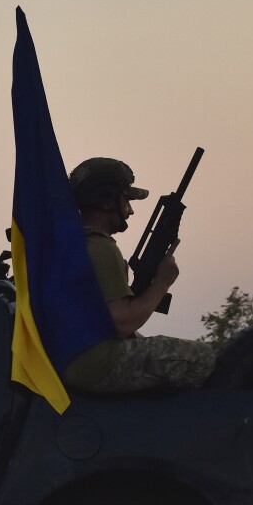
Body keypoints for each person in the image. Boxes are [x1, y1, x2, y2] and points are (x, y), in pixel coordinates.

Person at [62, 157, 215, 393]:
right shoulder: (100, 248)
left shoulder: (74, 242)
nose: (131, 210)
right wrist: (162, 283)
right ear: (105, 200)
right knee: (203, 358)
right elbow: (122, 322)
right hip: (95, 364)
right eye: (126, 200)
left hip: (74, 358)